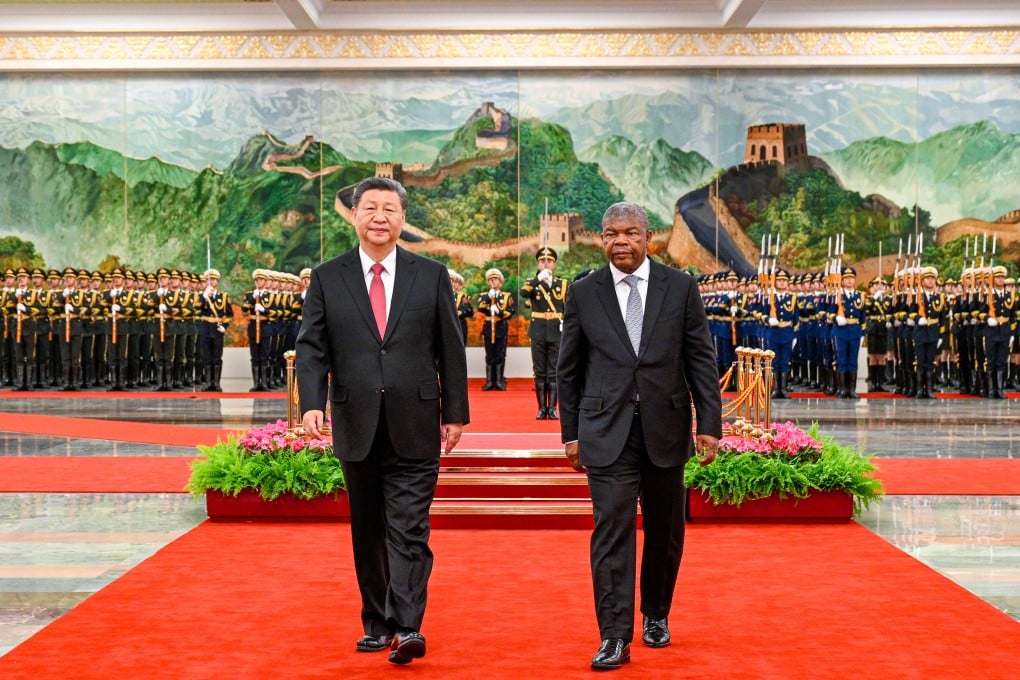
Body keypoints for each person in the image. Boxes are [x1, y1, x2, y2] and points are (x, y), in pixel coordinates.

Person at [297, 176, 469, 666]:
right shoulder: (328, 278)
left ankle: (409, 625)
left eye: (389, 209)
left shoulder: (430, 275)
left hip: (415, 421)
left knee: (410, 528)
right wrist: (313, 402)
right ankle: (376, 623)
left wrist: (455, 413)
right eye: (369, 207)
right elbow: (312, 347)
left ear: (401, 219)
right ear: (354, 215)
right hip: (356, 420)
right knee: (367, 527)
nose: (379, 216)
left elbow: (450, 349)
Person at [557, 201, 722, 671]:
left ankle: (656, 613)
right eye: (611, 234)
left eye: (630, 233)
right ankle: (613, 635)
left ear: (648, 237)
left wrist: (708, 424)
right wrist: (571, 434)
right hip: (605, 433)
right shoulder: (584, 292)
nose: (620, 242)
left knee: (666, 531)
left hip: (665, 429)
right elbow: (568, 371)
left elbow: (700, 361)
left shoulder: (680, 287)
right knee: (611, 531)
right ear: (601, 239)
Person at [520, 246, 568, 419]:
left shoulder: (562, 284)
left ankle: (553, 408)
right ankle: (541, 408)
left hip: (556, 331)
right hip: (538, 331)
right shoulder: (531, 283)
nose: (546, 263)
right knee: (539, 371)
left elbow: (568, 307)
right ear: (538, 264)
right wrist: (538, 279)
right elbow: (523, 293)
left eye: (549, 261)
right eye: (542, 261)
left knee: (554, 370)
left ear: (554, 264)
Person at [476, 267, 515, 390]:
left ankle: (499, 381)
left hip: (500, 327)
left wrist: (499, 311)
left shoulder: (507, 296)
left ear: (501, 282)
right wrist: (489, 297)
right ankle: (489, 381)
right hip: (488, 327)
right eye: (491, 279)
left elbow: (511, 312)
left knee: (499, 354)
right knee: (489, 355)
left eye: (496, 279)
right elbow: (480, 308)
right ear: (488, 282)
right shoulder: (484, 295)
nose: (493, 282)